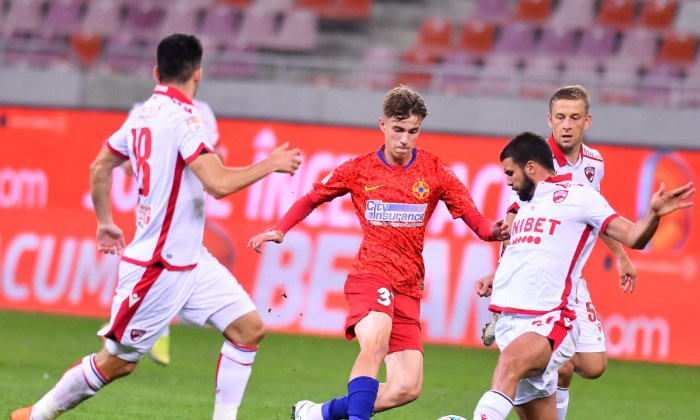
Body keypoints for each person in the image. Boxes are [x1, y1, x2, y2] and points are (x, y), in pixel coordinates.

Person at [11, 33, 302, 420]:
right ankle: (36, 416)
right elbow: (217, 183)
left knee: (248, 329)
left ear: (155, 71)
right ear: (197, 76)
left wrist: (104, 223)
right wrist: (270, 164)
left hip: (190, 260)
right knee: (116, 364)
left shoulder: (142, 114)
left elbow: (100, 166)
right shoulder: (185, 119)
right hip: (159, 265)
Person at [247, 85, 510, 420]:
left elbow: (473, 217)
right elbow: (312, 198)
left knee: (406, 388)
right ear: (382, 125)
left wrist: (493, 231)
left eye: (412, 131)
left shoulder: (434, 170)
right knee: (375, 343)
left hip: (408, 286)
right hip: (370, 276)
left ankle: (319, 414)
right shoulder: (359, 169)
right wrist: (280, 228)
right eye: (398, 130)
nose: (404, 139)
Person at [471, 132, 693, 420]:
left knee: (509, 365)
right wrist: (496, 275)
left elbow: (634, 236)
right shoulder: (522, 207)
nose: (508, 181)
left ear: (530, 167)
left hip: (549, 319)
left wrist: (652, 215)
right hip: (510, 323)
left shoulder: (580, 196)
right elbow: (525, 254)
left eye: (510, 173)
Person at [479, 85, 638, 418]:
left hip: (571, 274)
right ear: (549, 120)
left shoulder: (594, 163)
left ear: (587, 122)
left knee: (593, 366)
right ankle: (538, 354)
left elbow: (598, 214)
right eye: (561, 117)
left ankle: (542, 361)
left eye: (574, 118)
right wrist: (502, 272)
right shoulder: (537, 162)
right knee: (557, 366)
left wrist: (621, 255)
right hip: (544, 280)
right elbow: (515, 219)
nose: (567, 125)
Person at [125, 98, 224, 367]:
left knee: (170, 269)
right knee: (165, 266)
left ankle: (134, 326)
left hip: (180, 208)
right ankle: (153, 330)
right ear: (196, 74)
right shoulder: (197, 111)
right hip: (161, 210)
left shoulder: (143, 111)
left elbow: (215, 156)